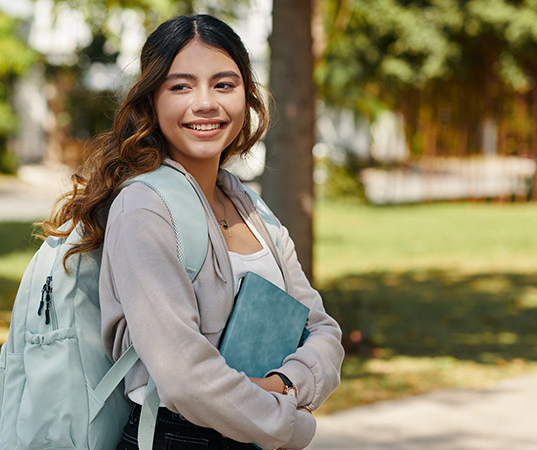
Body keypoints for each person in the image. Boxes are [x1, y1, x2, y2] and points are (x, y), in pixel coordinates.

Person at [42, 14, 344, 450]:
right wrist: (288, 424)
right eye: (180, 86)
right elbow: (184, 377)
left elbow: (322, 329)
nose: (205, 103)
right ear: (150, 101)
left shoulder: (248, 204)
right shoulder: (144, 207)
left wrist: (284, 384)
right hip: (180, 438)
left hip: (256, 428)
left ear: (247, 96)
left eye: (224, 84)